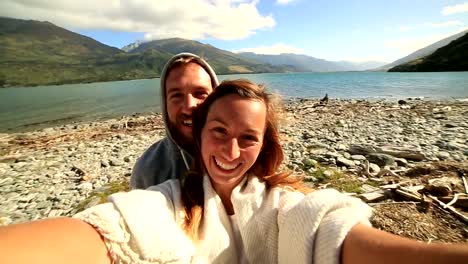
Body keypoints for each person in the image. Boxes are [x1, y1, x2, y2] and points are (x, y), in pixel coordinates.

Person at [1, 80, 467, 264]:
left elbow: (331, 230)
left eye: (249, 138)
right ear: (198, 134)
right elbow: (117, 228)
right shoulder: (164, 194)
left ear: (266, 146)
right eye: (218, 131)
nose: (230, 149)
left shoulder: (285, 202)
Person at [131, 52, 219, 189]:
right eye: (177, 95)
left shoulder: (242, 155)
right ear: (165, 104)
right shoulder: (148, 171)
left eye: (200, 93)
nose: (189, 107)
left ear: (216, 98)